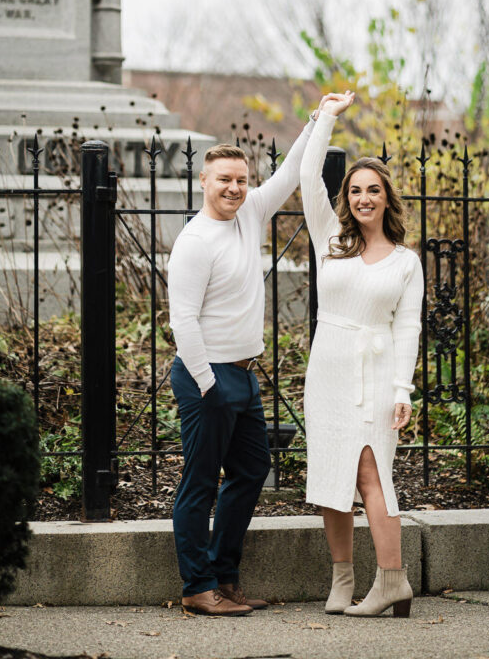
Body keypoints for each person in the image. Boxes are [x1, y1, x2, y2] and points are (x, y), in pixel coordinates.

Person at [167, 104, 326, 616]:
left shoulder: (251, 214)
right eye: (223, 180)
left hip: (244, 375)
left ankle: (225, 575)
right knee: (198, 483)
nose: (234, 188)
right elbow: (182, 321)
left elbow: (289, 173)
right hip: (208, 378)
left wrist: (317, 120)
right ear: (203, 181)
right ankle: (197, 587)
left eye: (240, 179)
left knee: (252, 469)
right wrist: (208, 384)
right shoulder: (194, 242)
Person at [299, 90, 423, 617]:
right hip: (327, 369)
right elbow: (308, 178)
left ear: (386, 198)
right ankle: (342, 579)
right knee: (331, 476)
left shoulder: (405, 262)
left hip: (375, 377)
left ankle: (392, 581)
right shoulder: (331, 240)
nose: (363, 198)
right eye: (354, 190)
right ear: (345, 197)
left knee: (372, 473)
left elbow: (408, 328)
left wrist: (403, 391)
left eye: (373, 190)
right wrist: (325, 117)